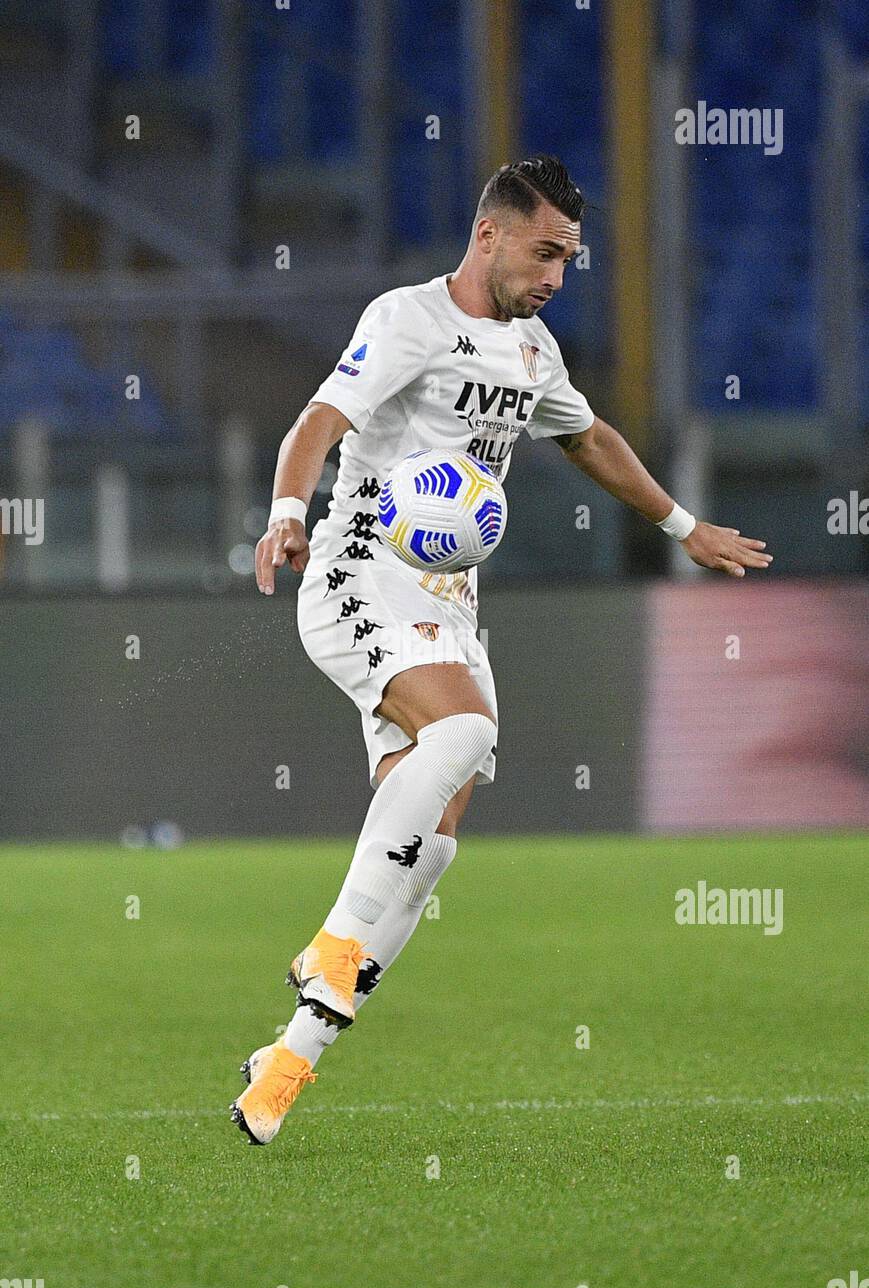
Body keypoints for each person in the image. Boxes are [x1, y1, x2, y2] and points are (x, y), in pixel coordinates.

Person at [231, 154, 772, 1145]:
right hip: (358, 578)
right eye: (546, 251)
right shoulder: (405, 322)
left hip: (446, 610)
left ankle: (284, 1067)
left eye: (570, 257)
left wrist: (681, 524)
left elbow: (589, 438)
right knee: (466, 729)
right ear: (489, 236)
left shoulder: (530, 353)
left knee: (430, 843)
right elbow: (320, 418)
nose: (559, 274)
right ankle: (333, 945)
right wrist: (284, 511)